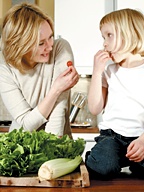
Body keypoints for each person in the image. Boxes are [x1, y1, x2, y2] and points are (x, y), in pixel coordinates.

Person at [0, 3, 79, 138]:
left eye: (50, 37)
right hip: (22, 144)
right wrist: (56, 90)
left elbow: (58, 114)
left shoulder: (60, 48)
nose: (49, 46)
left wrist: (52, 150)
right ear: (21, 46)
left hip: (57, 141)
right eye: (41, 43)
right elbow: (26, 124)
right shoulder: (4, 66)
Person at [85, 8, 144, 179]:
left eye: (109, 35)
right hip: (112, 137)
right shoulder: (109, 71)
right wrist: (97, 72)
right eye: (103, 37)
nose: (104, 43)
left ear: (130, 34)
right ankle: (98, 158)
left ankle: (136, 163)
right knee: (102, 167)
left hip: (141, 137)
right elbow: (95, 108)